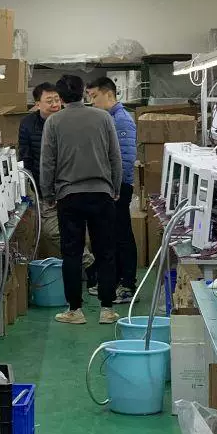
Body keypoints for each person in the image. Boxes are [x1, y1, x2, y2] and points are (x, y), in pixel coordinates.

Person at [38, 72, 123, 326]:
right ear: (84, 92)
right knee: (105, 251)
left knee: (72, 254)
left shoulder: (53, 122)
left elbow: (47, 162)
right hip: (102, 193)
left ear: (61, 97)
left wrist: (47, 193)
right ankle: (107, 309)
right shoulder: (103, 117)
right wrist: (115, 187)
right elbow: (115, 156)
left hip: (69, 196)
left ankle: (75, 310)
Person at [88, 77, 138, 288]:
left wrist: (116, 188)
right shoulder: (109, 119)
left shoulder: (121, 120)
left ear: (108, 94)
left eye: (94, 96)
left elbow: (125, 159)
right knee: (112, 235)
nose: (92, 102)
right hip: (111, 187)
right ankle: (116, 280)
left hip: (119, 187)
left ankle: (127, 283)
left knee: (122, 235)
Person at [18, 81, 60, 189]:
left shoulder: (68, 120)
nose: (55, 105)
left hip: (66, 182)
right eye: (49, 101)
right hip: (39, 181)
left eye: (57, 100)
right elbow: (25, 156)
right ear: (37, 104)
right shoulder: (27, 123)